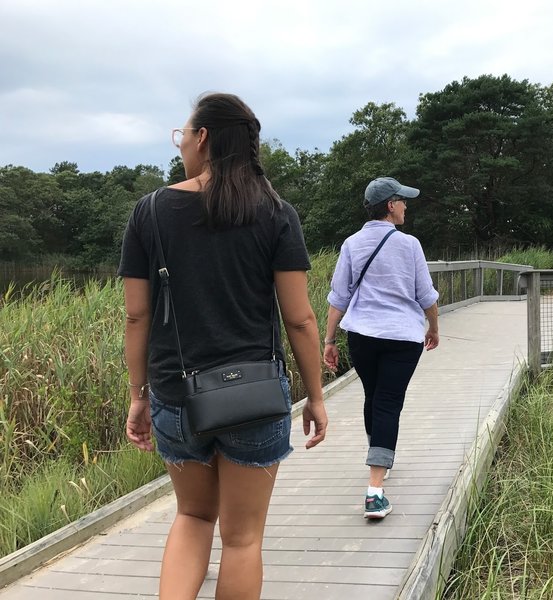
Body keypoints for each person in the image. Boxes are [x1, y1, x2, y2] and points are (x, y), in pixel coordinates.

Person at [119, 93, 328, 600]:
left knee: (192, 517)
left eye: (183, 135)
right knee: (242, 539)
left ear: (204, 137)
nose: (181, 144)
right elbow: (299, 319)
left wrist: (138, 394)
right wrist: (317, 396)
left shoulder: (150, 212)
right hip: (254, 397)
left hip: (176, 394)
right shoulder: (276, 212)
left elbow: (136, 315)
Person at [323, 176, 439, 519]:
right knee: (388, 403)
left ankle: (379, 454)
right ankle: (375, 492)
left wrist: (329, 340)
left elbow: (338, 297)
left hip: (362, 336)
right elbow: (426, 295)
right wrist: (434, 327)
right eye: (402, 200)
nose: (406, 206)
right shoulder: (409, 245)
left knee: (374, 398)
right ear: (390, 205)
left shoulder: (351, 244)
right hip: (402, 338)